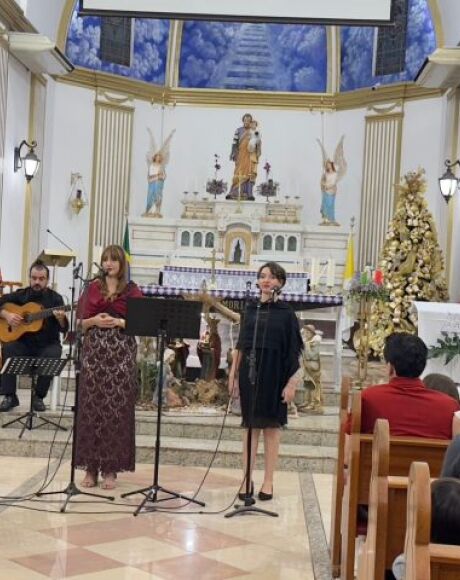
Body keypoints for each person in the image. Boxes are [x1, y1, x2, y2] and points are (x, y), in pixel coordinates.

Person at [229, 262, 303, 500]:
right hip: (250, 372)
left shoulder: (287, 313)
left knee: (271, 429)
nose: (266, 280)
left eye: (271, 277)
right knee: (250, 427)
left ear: (280, 283)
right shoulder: (250, 309)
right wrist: (232, 375)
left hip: (275, 373)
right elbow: (241, 344)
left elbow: (294, 351)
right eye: (262, 276)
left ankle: (268, 481)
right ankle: (246, 478)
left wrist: (291, 384)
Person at [75, 244, 142, 490]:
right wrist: (94, 320)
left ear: (122, 264)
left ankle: (111, 469)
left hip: (121, 353)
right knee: (92, 407)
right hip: (95, 352)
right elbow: (80, 322)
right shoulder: (92, 287)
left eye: (114, 259)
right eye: (105, 260)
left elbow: (142, 322)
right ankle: (90, 468)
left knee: (116, 410)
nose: (109, 264)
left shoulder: (132, 290)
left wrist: (119, 321)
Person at [346, 333, 460, 439]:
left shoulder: (368, 398)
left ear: (390, 368)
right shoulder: (450, 406)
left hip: (379, 461)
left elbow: (350, 445)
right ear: (423, 366)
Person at [0, 259, 68, 412]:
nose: (37, 282)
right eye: (34, 278)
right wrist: (7, 315)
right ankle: (10, 396)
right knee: (8, 348)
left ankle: (38, 397)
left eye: (41, 279)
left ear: (47, 280)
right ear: (29, 278)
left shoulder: (56, 299)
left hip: (47, 344)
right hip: (24, 344)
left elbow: (64, 329)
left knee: (54, 353)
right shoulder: (21, 295)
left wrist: (61, 319)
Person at [227, 113, 261, 201]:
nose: (247, 122)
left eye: (249, 121)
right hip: (241, 155)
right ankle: (233, 192)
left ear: (251, 122)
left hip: (250, 156)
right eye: (245, 120)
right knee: (238, 172)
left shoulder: (254, 131)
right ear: (243, 120)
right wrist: (233, 153)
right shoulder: (238, 130)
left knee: (250, 173)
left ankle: (248, 193)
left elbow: (258, 143)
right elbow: (234, 143)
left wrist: (257, 147)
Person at [316, 135, 347, 226]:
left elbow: (333, 183)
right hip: (325, 191)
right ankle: (325, 219)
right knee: (325, 205)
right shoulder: (325, 174)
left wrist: (327, 186)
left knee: (330, 205)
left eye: (329, 164)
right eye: (326, 164)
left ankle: (331, 219)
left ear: (331, 165)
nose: (327, 165)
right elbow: (322, 182)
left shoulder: (334, 174)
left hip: (331, 191)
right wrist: (322, 183)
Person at [299, 324, 323, 413]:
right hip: (306, 365)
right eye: (305, 332)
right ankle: (307, 401)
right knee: (307, 384)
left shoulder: (314, 343)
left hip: (313, 365)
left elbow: (312, 355)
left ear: (312, 333)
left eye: (308, 332)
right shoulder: (306, 342)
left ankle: (313, 404)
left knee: (313, 385)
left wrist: (307, 346)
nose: (306, 334)